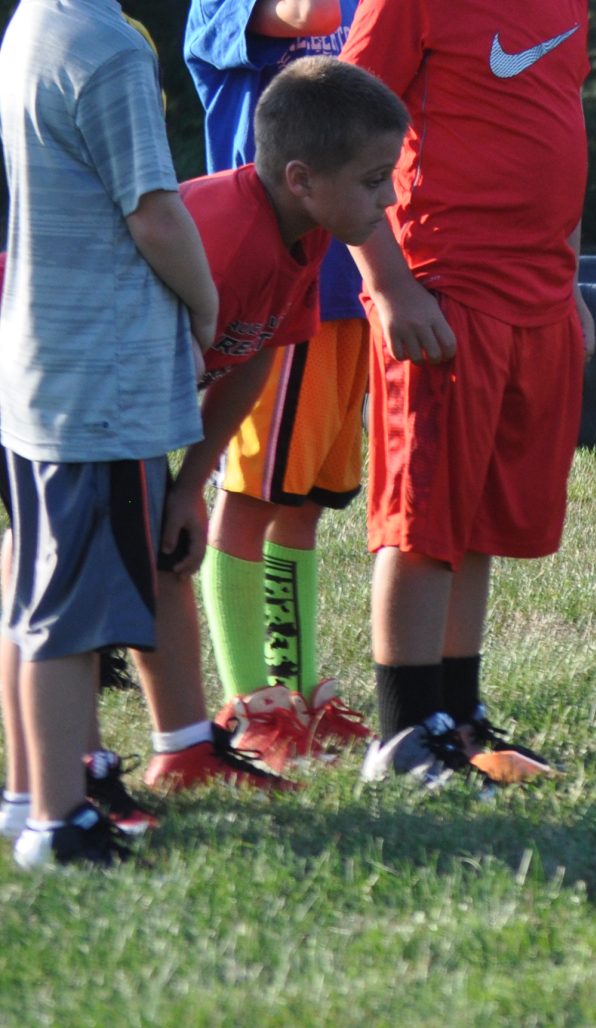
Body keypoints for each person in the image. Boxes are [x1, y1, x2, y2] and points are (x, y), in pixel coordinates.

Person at [341, 0, 595, 790]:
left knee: (483, 514)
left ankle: (458, 708)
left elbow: (554, 141)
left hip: (537, 299)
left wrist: (568, 281)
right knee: (424, 518)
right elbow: (335, 136)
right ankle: (401, 732)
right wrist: (390, 286)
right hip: (442, 300)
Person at [1, 0, 215, 867]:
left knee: (32, 584)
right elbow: (156, 209)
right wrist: (207, 301)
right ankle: (59, 817)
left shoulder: (32, 19)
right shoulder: (111, 44)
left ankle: (27, 789)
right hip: (94, 383)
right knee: (70, 614)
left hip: (39, 370)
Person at [128, 60, 408, 796]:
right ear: (301, 178)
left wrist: (190, 487)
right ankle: (231, 719)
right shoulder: (221, 236)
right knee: (90, 575)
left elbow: (255, 357)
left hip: (126, 406)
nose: (391, 196)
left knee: (156, 555)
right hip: (58, 383)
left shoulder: (308, 231)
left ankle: (193, 748)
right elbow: (134, 357)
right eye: (374, 179)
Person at [182, 0, 381, 765]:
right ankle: (247, 701)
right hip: (262, 295)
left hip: (338, 294)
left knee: (304, 504)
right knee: (250, 498)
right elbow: (301, 9)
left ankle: (300, 692)